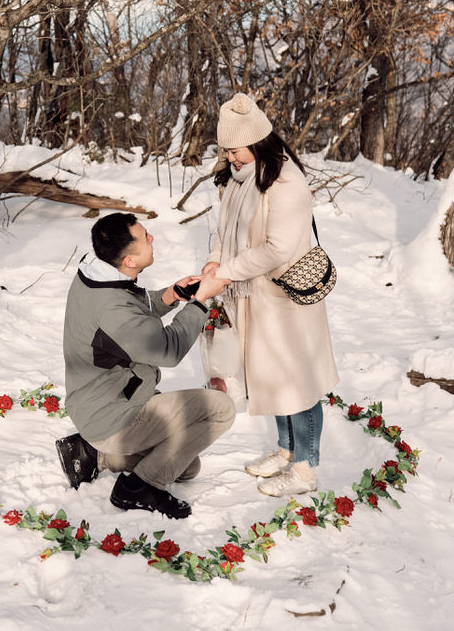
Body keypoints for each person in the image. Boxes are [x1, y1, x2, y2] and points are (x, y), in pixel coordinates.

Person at [202, 93, 339, 497]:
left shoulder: (286, 182)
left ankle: (305, 469)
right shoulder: (237, 179)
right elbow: (224, 230)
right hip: (253, 297)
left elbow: (277, 249)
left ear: (258, 141)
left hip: (284, 302)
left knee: (297, 381)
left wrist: (225, 274)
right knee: (271, 378)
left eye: (236, 149)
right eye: (225, 149)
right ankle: (285, 450)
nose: (231, 157)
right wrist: (214, 261)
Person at [57, 212, 234, 519]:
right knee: (221, 409)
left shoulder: (98, 275)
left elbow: (131, 309)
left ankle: (95, 454)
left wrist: (172, 295)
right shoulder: (112, 307)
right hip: (114, 415)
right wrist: (202, 301)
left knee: (187, 466)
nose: (152, 238)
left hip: (101, 402)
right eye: (145, 237)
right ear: (128, 261)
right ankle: (137, 489)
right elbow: (167, 349)